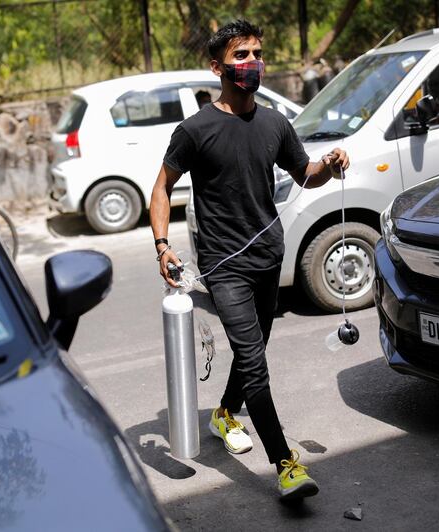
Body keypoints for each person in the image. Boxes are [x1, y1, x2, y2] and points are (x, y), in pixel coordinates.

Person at [149, 19, 349, 501]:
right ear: (217, 66)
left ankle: (223, 413)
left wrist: (330, 164)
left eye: (257, 53)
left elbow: (305, 175)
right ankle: (284, 464)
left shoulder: (275, 124)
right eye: (241, 55)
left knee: (252, 349)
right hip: (224, 265)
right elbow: (160, 189)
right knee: (256, 362)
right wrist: (162, 244)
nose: (252, 63)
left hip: (267, 257)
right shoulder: (195, 130)